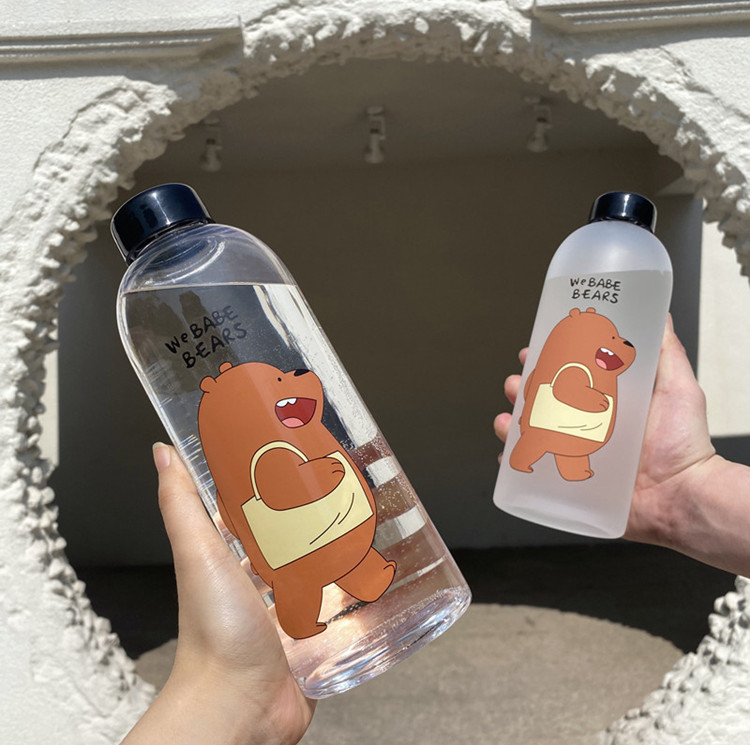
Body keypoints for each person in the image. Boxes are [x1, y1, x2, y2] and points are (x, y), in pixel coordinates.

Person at [123, 316, 749, 744]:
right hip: (296, 548)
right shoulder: (255, 451)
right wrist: (233, 688)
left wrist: (684, 490)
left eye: (290, 375)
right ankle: (313, 605)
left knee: (363, 552)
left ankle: (367, 573)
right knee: (302, 584)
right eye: (282, 383)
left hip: (345, 524)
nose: (296, 383)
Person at [494, 315, 750, 578]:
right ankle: (525, 461)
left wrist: (682, 479)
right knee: (535, 443)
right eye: (611, 339)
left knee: (571, 454)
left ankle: (569, 469)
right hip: (552, 425)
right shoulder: (575, 366)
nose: (620, 343)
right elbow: (566, 386)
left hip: (579, 434)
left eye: (616, 338)